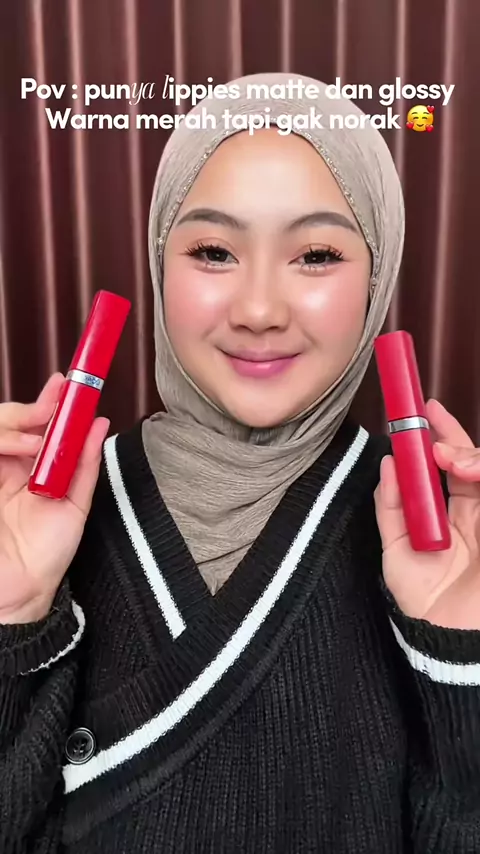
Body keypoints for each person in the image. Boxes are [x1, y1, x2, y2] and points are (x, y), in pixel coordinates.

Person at [1, 72, 479, 854]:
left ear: (378, 277)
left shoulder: (438, 543)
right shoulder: (41, 514)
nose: (259, 311)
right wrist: (11, 612)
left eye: (316, 254)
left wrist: (461, 658)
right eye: (213, 251)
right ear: (159, 263)